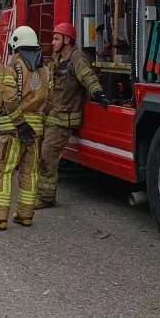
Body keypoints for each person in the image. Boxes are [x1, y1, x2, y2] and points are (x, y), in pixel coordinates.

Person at [0, 26, 50, 230]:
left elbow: (9, 99)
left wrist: (20, 124)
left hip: (14, 129)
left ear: (17, 44)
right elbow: (50, 99)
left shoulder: (14, 67)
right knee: (30, 172)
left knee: (5, 171)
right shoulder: (45, 69)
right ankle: (25, 215)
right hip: (36, 130)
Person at [38, 22, 109, 209]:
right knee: (39, 152)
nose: (52, 42)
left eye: (56, 38)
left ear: (66, 40)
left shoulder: (77, 58)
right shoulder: (56, 59)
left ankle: (45, 198)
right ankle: (39, 192)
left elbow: (88, 77)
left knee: (48, 155)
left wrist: (98, 93)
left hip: (63, 119)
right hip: (51, 115)